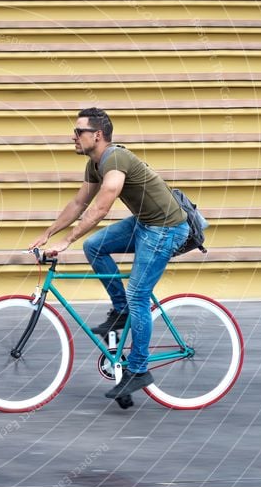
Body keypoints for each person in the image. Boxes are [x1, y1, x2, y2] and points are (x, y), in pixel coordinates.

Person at [28, 107, 190, 400]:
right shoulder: (94, 164)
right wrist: (49, 232)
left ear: (97, 135)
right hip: (146, 223)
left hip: (166, 228)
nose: (73, 137)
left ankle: (139, 370)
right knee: (95, 246)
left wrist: (68, 241)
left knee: (138, 295)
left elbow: (102, 207)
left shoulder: (115, 157)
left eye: (79, 132)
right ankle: (121, 311)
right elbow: (79, 203)